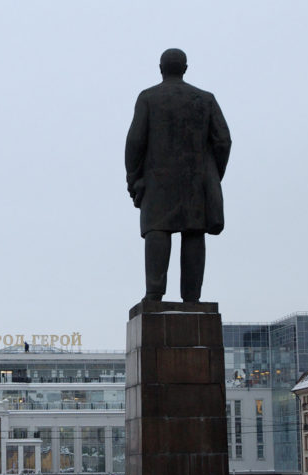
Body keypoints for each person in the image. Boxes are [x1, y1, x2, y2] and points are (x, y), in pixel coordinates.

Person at [125, 48, 231, 303]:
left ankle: (154, 294)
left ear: (161, 68)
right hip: (196, 181)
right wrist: (213, 174)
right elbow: (223, 141)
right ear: (185, 68)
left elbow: (135, 142)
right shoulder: (205, 99)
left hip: (157, 181)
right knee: (194, 232)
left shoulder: (148, 98)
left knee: (157, 231)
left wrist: (133, 178)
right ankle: (192, 299)